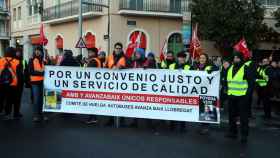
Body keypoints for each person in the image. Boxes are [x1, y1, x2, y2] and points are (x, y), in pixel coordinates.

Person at [225, 51, 252, 144]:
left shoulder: (246, 68)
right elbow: (227, 80)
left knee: (243, 117)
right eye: (234, 58)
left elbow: (251, 84)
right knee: (231, 115)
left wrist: (247, 96)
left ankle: (244, 135)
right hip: (232, 96)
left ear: (241, 59)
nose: (235, 59)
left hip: (242, 97)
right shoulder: (230, 68)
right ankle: (233, 132)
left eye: (237, 58)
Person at [191, 53, 218, 135]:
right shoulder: (196, 66)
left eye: (203, 58)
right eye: (200, 58)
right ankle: (202, 125)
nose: (202, 59)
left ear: (206, 59)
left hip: (208, 91)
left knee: (207, 108)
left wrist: (212, 71)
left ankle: (206, 127)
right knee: (201, 108)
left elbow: (216, 71)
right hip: (198, 91)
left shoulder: (210, 66)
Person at [106, 42, 127, 127]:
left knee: (121, 101)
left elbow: (129, 67)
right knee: (110, 101)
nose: (118, 49)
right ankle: (110, 119)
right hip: (111, 82)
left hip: (121, 83)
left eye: (119, 48)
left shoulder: (125, 58)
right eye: (116, 48)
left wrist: (121, 68)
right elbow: (105, 67)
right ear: (114, 48)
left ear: (121, 49)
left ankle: (121, 119)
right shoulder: (110, 57)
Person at [169, 51, 191, 132]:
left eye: (183, 58)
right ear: (177, 58)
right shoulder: (171, 66)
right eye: (180, 57)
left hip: (184, 92)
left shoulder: (189, 67)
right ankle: (172, 124)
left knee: (183, 109)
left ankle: (182, 126)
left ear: (185, 59)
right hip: (174, 90)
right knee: (173, 108)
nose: (181, 59)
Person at [0, 47, 22, 120]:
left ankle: (6, 113)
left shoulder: (1, 60)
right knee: (13, 99)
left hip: (2, 83)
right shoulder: (17, 61)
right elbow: (19, 75)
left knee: (4, 98)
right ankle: (13, 114)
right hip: (13, 84)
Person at [84, 47, 102, 124]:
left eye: (90, 52)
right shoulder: (95, 60)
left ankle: (92, 118)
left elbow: (89, 71)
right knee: (93, 101)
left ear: (94, 53)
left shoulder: (93, 61)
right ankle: (93, 117)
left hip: (92, 84)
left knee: (91, 101)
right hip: (95, 83)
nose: (89, 54)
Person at [29, 47, 46, 122]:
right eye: (36, 50)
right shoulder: (31, 60)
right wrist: (41, 73)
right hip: (35, 82)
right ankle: (36, 115)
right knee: (36, 99)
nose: (37, 52)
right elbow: (31, 71)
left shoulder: (43, 60)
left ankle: (41, 114)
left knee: (42, 99)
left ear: (41, 52)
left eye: (39, 51)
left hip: (42, 82)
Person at [13, 48, 28, 119]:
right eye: (17, 52)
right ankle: (8, 112)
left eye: (19, 52)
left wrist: (26, 80)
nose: (18, 53)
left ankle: (16, 112)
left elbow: (26, 70)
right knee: (11, 98)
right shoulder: (12, 60)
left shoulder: (23, 61)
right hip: (12, 82)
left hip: (20, 82)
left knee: (18, 98)